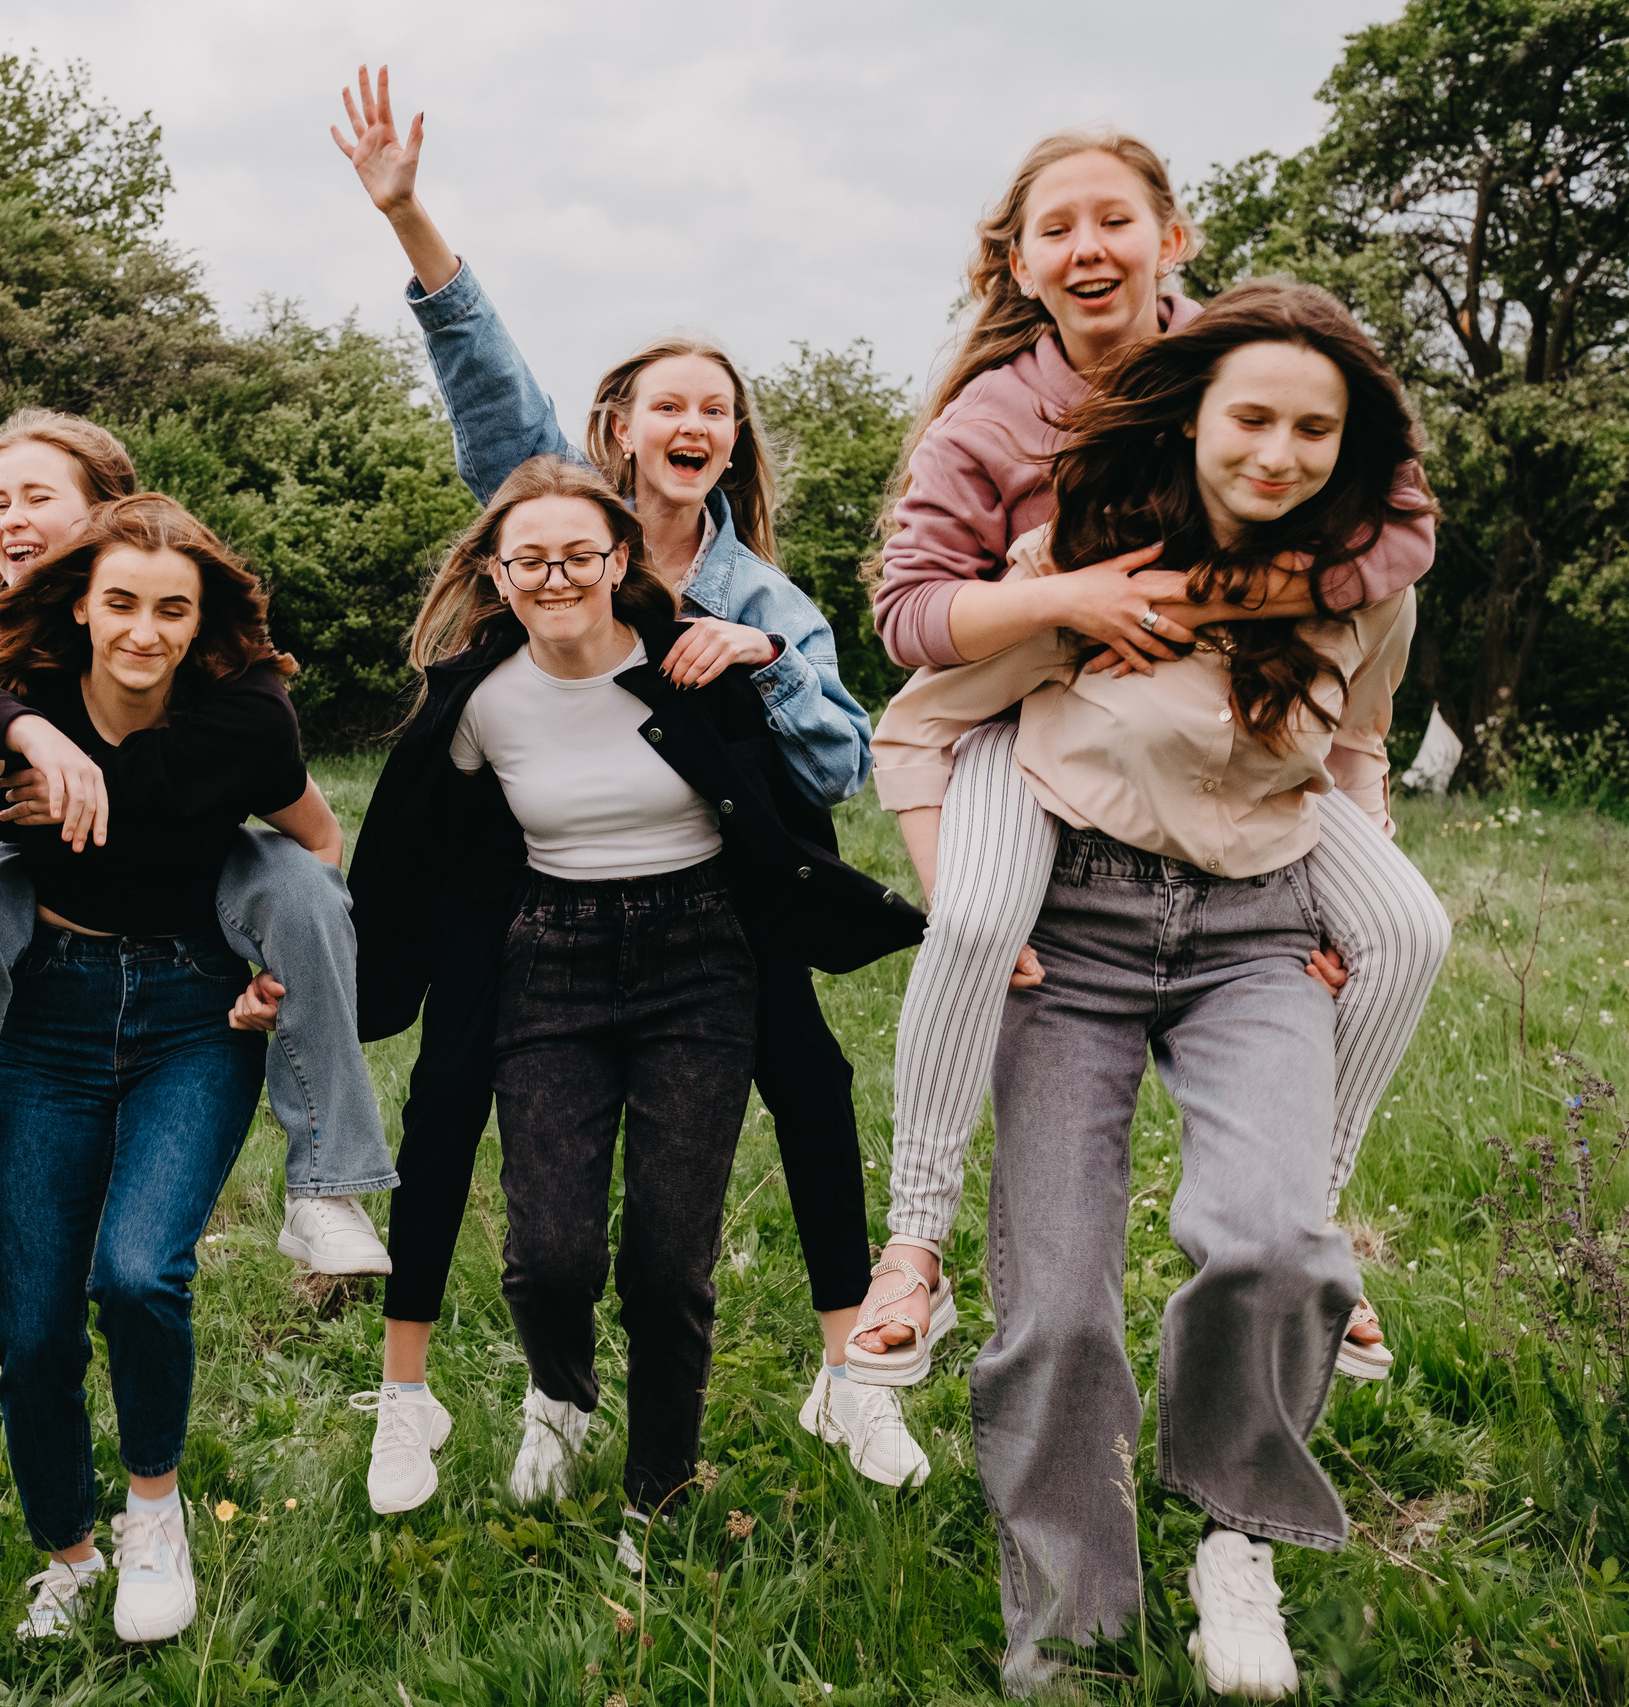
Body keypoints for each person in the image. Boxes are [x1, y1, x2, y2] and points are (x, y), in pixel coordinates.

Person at [332, 66, 929, 1500]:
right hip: (539, 891)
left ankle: (848, 1378)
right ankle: (524, 1389)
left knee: (810, 1084)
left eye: (718, 409)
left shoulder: (759, 589)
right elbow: (479, 364)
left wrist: (761, 665)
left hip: (721, 898)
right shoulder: (552, 506)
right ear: (615, 427)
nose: (698, 422)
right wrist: (408, 209)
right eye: (671, 401)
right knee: (501, 1154)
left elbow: (841, 757)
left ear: (730, 440)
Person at [870, 279, 1433, 1697]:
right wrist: (969, 903)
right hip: (1081, 935)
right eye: (1252, 415)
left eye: (1317, 427)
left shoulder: (1372, 581)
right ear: (1192, 419)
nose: (1280, 451)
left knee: (1279, 1247)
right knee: (1055, 1311)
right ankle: (1073, 1622)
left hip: (1261, 934)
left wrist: (1362, 893)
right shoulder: (1087, 566)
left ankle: (1235, 1536)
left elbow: (1357, 748)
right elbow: (925, 714)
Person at [854, 129, 1445, 1394]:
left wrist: (1255, 584)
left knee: (1405, 928)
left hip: (1242, 722)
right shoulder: (996, 418)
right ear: (1015, 263)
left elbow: (1396, 515)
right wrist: (1063, 599)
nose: (1088, 249)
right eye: (1053, 229)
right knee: (968, 922)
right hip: (1034, 701)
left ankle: (1312, 1227)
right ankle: (913, 1237)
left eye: (1113, 220)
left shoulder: (1238, 359)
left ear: (1169, 238)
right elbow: (907, 622)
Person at [354, 456, 924, 1568]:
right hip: (549, 963)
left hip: (700, 957)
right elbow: (415, 861)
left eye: (580, 554)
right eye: (532, 559)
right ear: (498, 574)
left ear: (619, 562)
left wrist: (763, 653)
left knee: (669, 1260)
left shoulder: (689, 667)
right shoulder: (475, 701)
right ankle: (558, 1400)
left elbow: (795, 797)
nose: (557, 575)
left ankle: (655, 1493)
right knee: (550, 1252)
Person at [0, 493, 334, 1642]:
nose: (145, 630)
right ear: (83, 609)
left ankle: (152, 1516)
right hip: (47, 1017)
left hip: (195, 1012)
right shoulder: (26, 701)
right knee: (34, 1326)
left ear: (199, 624)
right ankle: (68, 1554)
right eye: (124, 605)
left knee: (139, 1274)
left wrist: (274, 963)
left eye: (172, 611)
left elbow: (315, 839)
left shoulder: (233, 717)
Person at [0, 410, 396, 1334]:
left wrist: (90, 779)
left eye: (40, 497)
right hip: (52, 896)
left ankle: (327, 1187)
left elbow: (298, 796)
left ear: (115, 512)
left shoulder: (197, 643)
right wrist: (25, 733)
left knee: (301, 884)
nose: (12, 520)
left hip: (205, 897)